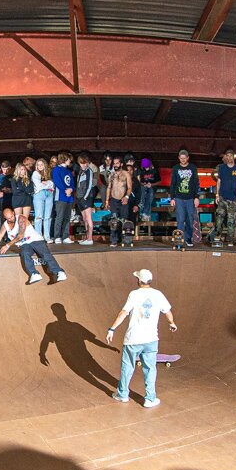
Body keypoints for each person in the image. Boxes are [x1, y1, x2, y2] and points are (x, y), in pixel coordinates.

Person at [104, 268, 176, 409]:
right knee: (150, 368)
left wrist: (112, 329)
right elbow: (167, 312)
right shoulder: (158, 294)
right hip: (151, 339)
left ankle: (122, 394)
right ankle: (150, 399)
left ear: (139, 280)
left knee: (127, 366)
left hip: (133, 339)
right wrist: (172, 323)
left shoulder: (134, 294)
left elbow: (124, 312)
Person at [0, 206, 67, 284]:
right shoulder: (5, 224)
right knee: (25, 253)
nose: (10, 219)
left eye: (11, 217)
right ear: (5, 217)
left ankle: (59, 272)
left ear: (13, 213)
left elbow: (20, 236)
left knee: (45, 254)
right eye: (8, 218)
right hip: (25, 244)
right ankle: (34, 274)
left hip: (35, 240)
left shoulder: (21, 218)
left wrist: (7, 245)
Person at [213, 151, 236, 245]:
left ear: (233, 157)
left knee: (231, 220)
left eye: (231, 156)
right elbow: (219, 181)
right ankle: (217, 236)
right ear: (226, 157)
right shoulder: (222, 168)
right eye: (228, 156)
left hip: (233, 199)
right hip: (222, 197)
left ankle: (230, 239)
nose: (229, 158)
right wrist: (217, 195)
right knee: (219, 218)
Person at [106, 155, 135, 245]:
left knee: (124, 221)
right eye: (114, 163)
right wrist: (106, 201)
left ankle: (125, 239)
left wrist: (126, 197)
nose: (115, 165)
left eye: (117, 163)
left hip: (123, 200)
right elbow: (109, 188)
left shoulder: (126, 174)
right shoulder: (111, 174)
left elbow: (129, 187)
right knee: (114, 221)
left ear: (121, 164)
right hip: (114, 200)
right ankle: (114, 240)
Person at [50, 152, 75, 244]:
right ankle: (57, 236)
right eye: (68, 159)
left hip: (69, 197)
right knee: (59, 217)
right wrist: (65, 190)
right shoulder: (57, 169)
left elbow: (72, 183)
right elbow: (57, 182)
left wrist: (71, 189)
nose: (70, 161)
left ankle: (65, 236)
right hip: (60, 197)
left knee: (67, 217)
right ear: (64, 159)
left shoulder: (68, 171)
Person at [74, 154, 98, 245]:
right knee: (84, 218)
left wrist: (85, 196)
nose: (83, 165)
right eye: (81, 163)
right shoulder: (80, 171)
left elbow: (89, 185)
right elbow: (78, 184)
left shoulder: (89, 171)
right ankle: (87, 237)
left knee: (88, 218)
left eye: (85, 163)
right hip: (79, 197)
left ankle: (90, 238)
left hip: (86, 197)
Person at [135, 158, 157, 226]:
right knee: (142, 190)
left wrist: (151, 184)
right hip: (143, 186)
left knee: (150, 193)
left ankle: (145, 213)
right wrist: (143, 184)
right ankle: (142, 211)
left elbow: (158, 181)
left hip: (151, 186)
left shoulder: (154, 171)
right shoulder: (141, 171)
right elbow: (139, 181)